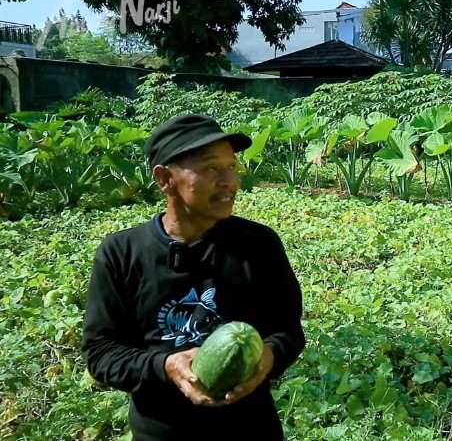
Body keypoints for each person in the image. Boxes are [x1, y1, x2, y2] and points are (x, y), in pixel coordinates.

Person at [81, 113, 306, 440]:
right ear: (165, 178)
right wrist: (167, 366)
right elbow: (101, 353)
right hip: (161, 433)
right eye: (211, 169)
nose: (230, 181)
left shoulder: (258, 244)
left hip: (250, 429)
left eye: (231, 167)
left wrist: (268, 355)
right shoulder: (122, 253)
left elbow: (288, 330)